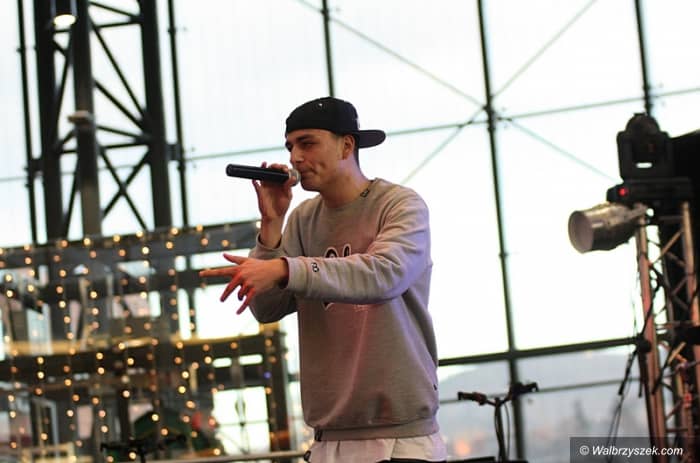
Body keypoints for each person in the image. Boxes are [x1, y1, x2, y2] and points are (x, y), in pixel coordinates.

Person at [200, 96, 446, 462]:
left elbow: (386, 273)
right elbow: (267, 308)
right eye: (290, 146)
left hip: (401, 436)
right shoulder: (302, 219)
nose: (296, 157)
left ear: (347, 145)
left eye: (307, 143)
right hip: (329, 436)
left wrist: (286, 269)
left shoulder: (399, 204)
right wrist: (271, 226)